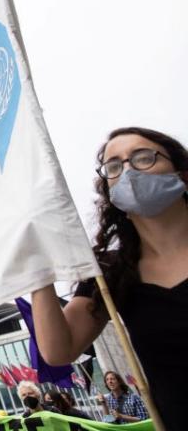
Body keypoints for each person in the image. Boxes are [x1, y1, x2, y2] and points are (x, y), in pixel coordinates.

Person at [30, 127, 188, 428]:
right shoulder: (111, 273)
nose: (128, 171)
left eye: (143, 158)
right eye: (114, 166)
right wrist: (38, 268)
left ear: (181, 173)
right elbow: (58, 350)